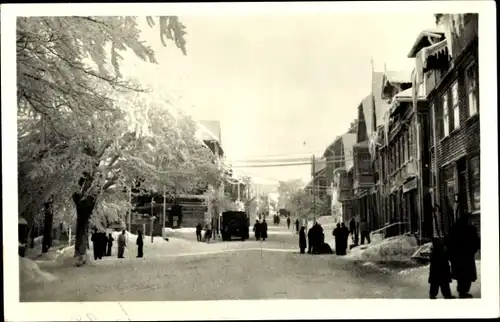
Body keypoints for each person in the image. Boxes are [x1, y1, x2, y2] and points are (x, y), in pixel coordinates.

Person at [447, 213, 480, 298]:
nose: (471, 221)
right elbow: (476, 241)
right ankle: (463, 292)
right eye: (470, 219)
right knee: (467, 276)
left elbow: (449, 243)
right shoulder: (470, 229)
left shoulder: (454, 228)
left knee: (461, 276)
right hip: (466, 257)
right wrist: (474, 249)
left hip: (457, 257)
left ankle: (462, 291)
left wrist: (450, 255)